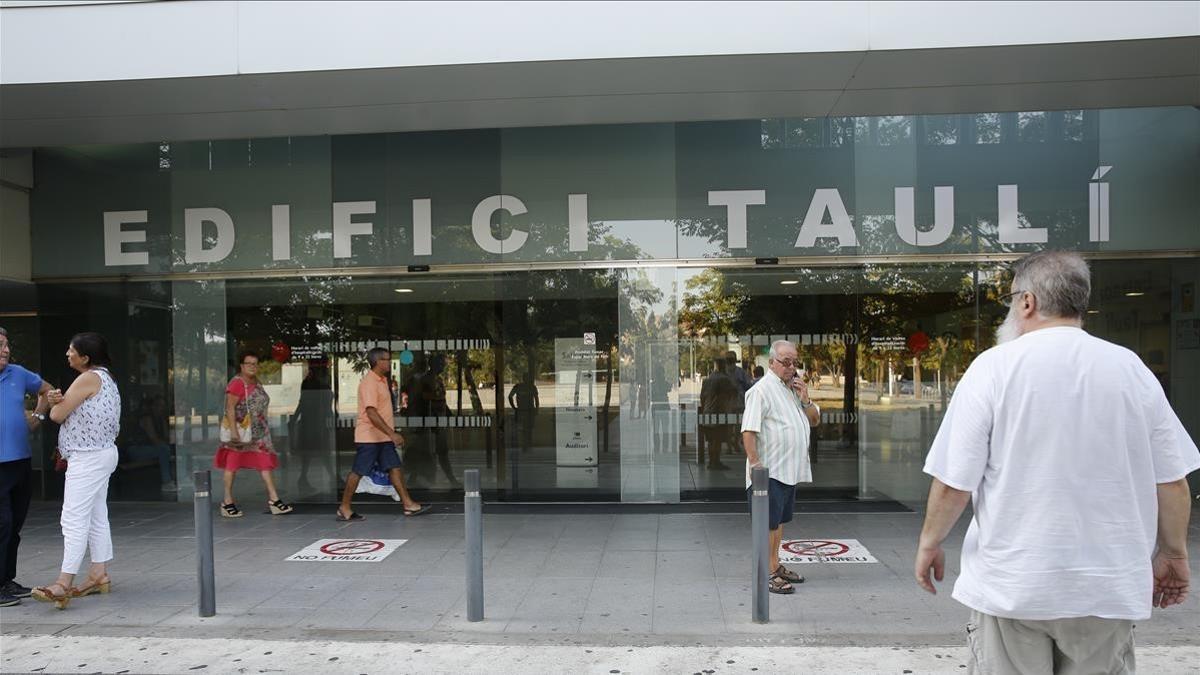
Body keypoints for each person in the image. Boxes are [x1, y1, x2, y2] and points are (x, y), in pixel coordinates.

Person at [915, 251, 1200, 674]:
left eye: (1012, 298)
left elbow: (955, 482)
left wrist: (929, 543)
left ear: (1027, 302)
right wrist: (1173, 553)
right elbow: (1172, 481)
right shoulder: (1130, 369)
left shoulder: (994, 368)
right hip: (1106, 589)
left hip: (1013, 586)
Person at [31, 333, 121, 609]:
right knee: (96, 515)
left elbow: (57, 416)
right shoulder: (107, 378)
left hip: (88, 458)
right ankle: (98, 573)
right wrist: (60, 398)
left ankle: (63, 583)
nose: (67, 354)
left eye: (72, 351)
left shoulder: (87, 378)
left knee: (73, 518)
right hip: (102, 453)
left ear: (85, 358)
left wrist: (56, 401)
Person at [740, 339, 820, 595]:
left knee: (779, 522)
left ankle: (775, 564)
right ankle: (767, 571)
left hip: (788, 470)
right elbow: (748, 431)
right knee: (768, 524)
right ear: (772, 362)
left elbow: (815, 421)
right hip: (770, 471)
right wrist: (755, 464)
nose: (791, 367)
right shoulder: (761, 390)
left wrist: (805, 399)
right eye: (786, 362)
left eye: (795, 362)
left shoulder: (792, 389)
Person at [336, 347, 429, 521]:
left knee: (395, 467)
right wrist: (392, 434)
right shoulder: (369, 382)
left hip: (382, 438)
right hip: (369, 438)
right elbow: (371, 413)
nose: (389, 362)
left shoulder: (381, 381)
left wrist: (388, 435)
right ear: (378, 362)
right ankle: (344, 507)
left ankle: (408, 504)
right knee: (358, 471)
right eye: (386, 359)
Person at [0, 327, 52, 607]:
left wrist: (38, 416)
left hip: (19, 461)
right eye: (0, 346)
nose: (6, 350)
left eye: (7, 345)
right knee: (2, 523)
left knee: (15, 523)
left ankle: (7, 579)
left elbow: (47, 390)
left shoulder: (18, 374)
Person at [213, 351, 293, 518]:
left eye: (255, 364)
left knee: (264, 463)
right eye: (248, 363)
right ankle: (227, 502)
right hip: (241, 432)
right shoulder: (237, 383)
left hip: (258, 434)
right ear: (241, 366)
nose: (252, 366)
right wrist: (234, 433)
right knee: (232, 465)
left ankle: (274, 500)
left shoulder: (256, 382)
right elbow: (229, 408)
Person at [290, 360, 336, 493]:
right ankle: (331, 477)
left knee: (316, 453)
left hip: (315, 422)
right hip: (313, 423)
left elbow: (302, 404)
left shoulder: (317, 383)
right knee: (318, 452)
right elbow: (303, 403)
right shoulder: (317, 384)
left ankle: (329, 477)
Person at [122, 394, 176, 492]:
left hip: (150, 449)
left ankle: (178, 478)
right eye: (159, 406)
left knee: (171, 449)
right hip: (136, 450)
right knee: (164, 449)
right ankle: (167, 482)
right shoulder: (147, 419)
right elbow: (154, 440)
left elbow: (167, 437)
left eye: (163, 406)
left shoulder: (161, 419)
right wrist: (166, 444)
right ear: (153, 406)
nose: (161, 409)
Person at [507, 376, 539, 454]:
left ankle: (525, 445)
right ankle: (526, 445)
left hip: (523, 410)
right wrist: (536, 409)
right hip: (527, 410)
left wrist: (514, 407)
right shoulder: (532, 387)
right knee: (527, 429)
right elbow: (536, 399)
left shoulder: (519, 387)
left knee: (524, 429)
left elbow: (510, 396)